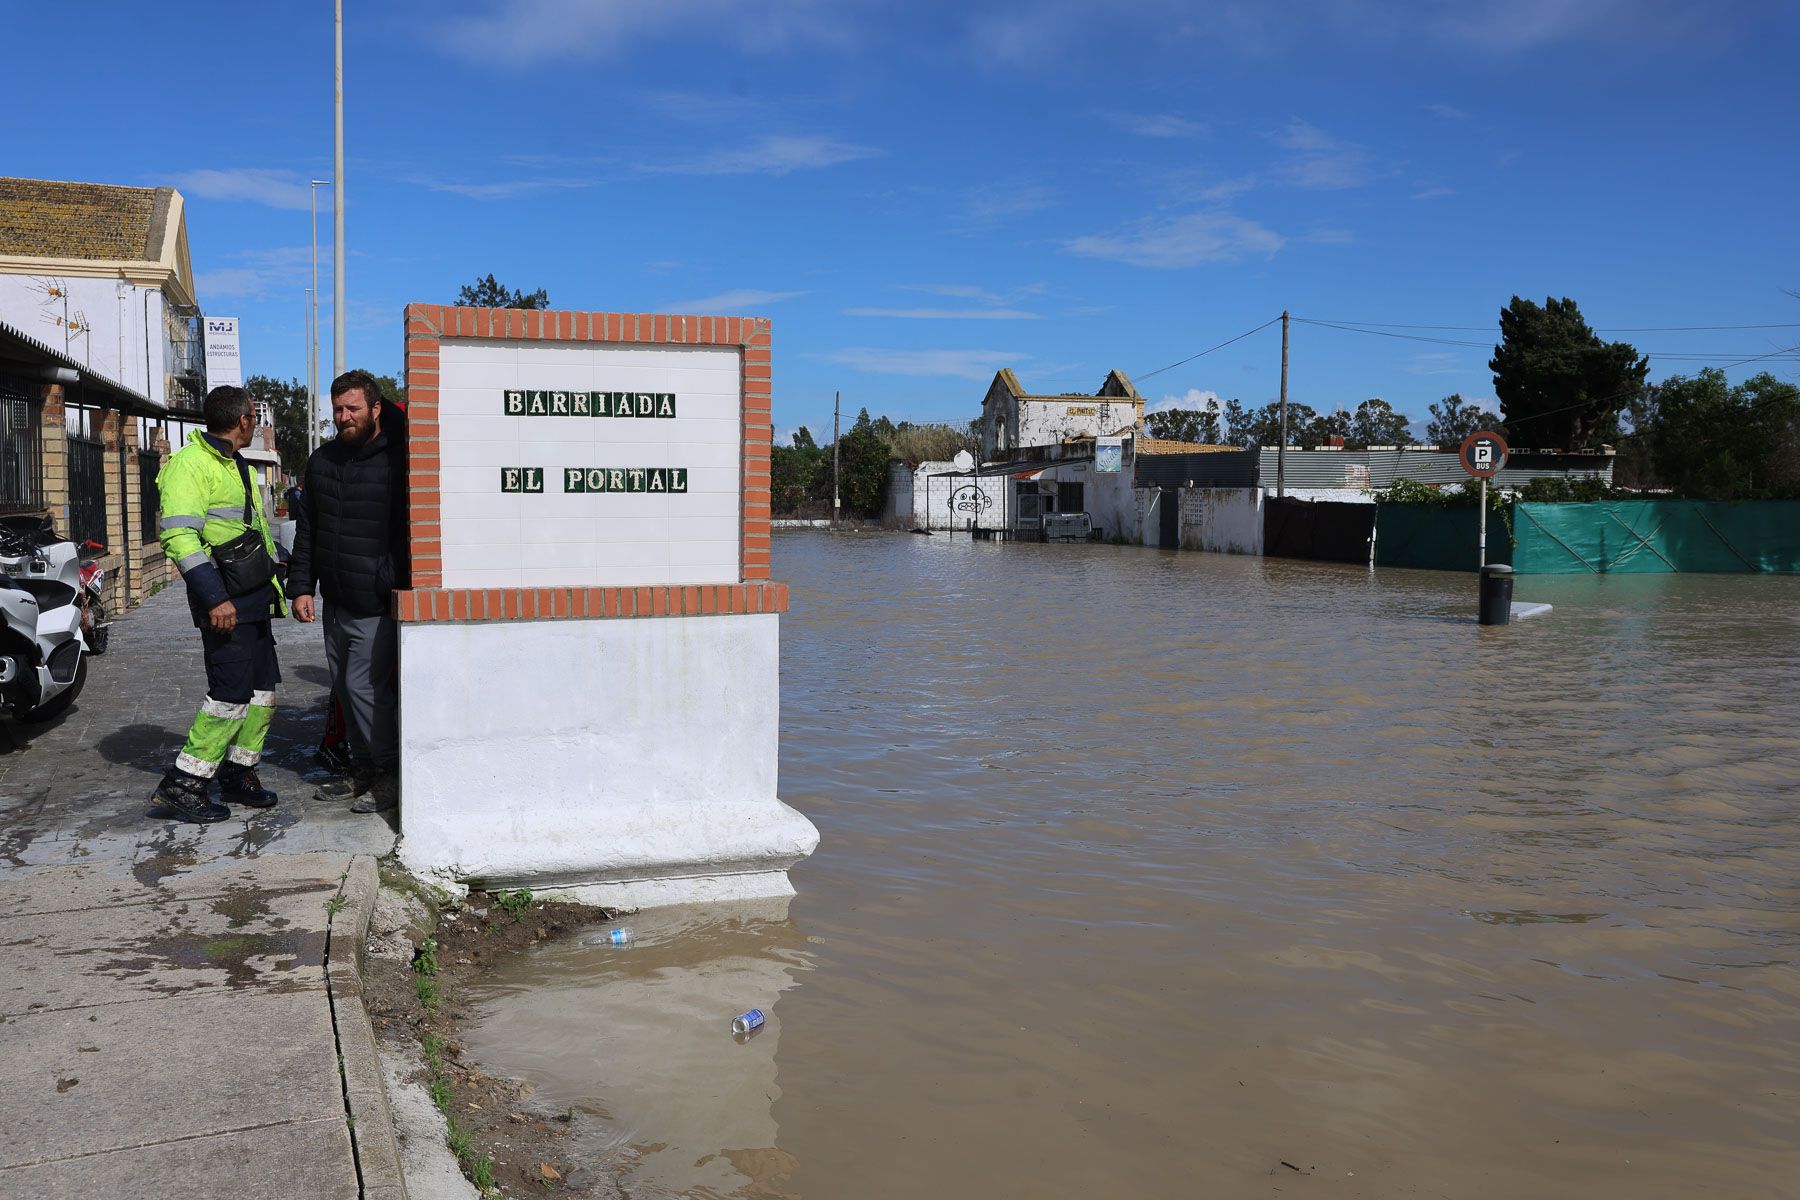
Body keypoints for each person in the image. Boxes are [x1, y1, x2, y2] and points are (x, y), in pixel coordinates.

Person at [149, 385, 285, 822]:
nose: (256, 423)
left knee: (261, 693)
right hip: (225, 601)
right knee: (229, 695)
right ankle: (184, 784)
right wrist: (215, 597)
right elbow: (179, 536)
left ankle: (239, 773)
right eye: (255, 416)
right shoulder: (190, 465)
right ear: (245, 419)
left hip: (253, 598)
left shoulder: (233, 462)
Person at [287, 369, 408, 813]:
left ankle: (392, 773)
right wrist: (302, 588)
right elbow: (308, 529)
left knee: (364, 687)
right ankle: (363, 770)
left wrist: (390, 578)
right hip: (334, 602)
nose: (344, 417)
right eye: (338, 409)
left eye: (353, 408)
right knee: (343, 686)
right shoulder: (322, 461)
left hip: (376, 600)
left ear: (376, 408)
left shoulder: (400, 459)